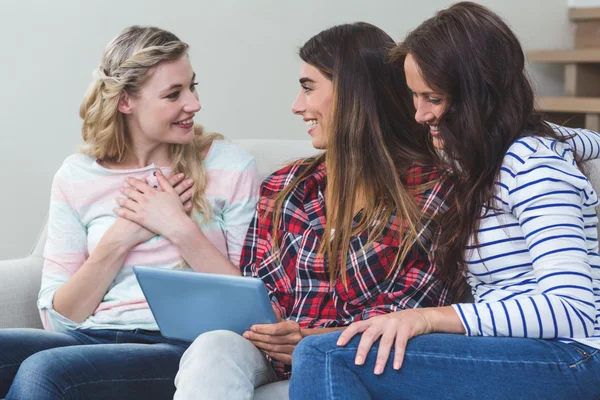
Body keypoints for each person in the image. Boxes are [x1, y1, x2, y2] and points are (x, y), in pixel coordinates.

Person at [289, 3, 600, 399]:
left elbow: (570, 308)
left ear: (477, 95)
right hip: (519, 350)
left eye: (432, 98)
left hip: (573, 357)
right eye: (414, 96)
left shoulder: (535, 166)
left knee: (326, 354)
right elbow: (588, 142)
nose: (419, 114)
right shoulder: (493, 150)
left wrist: (428, 318)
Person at [156, 22, 454, 399]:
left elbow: (415, 312)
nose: (297, 106)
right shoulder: (286, 187)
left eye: (308, 87)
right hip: (272, 356)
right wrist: (274, 332)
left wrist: (313, 341)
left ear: (354, 93)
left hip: (359, 361)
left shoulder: (432, 193)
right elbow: (261, 295)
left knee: (316, 365)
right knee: (213, 346)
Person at [0, 25, 258, 400]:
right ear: (125, 102)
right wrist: (123, 235)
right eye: (174, 94)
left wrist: (177, 228)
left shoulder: (230, 166)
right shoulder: (77, 175)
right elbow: (59, 317)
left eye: (192, 86)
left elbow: (252, 309)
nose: (194, 104)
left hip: (182, 347)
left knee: (46, 371)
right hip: (87, 337)